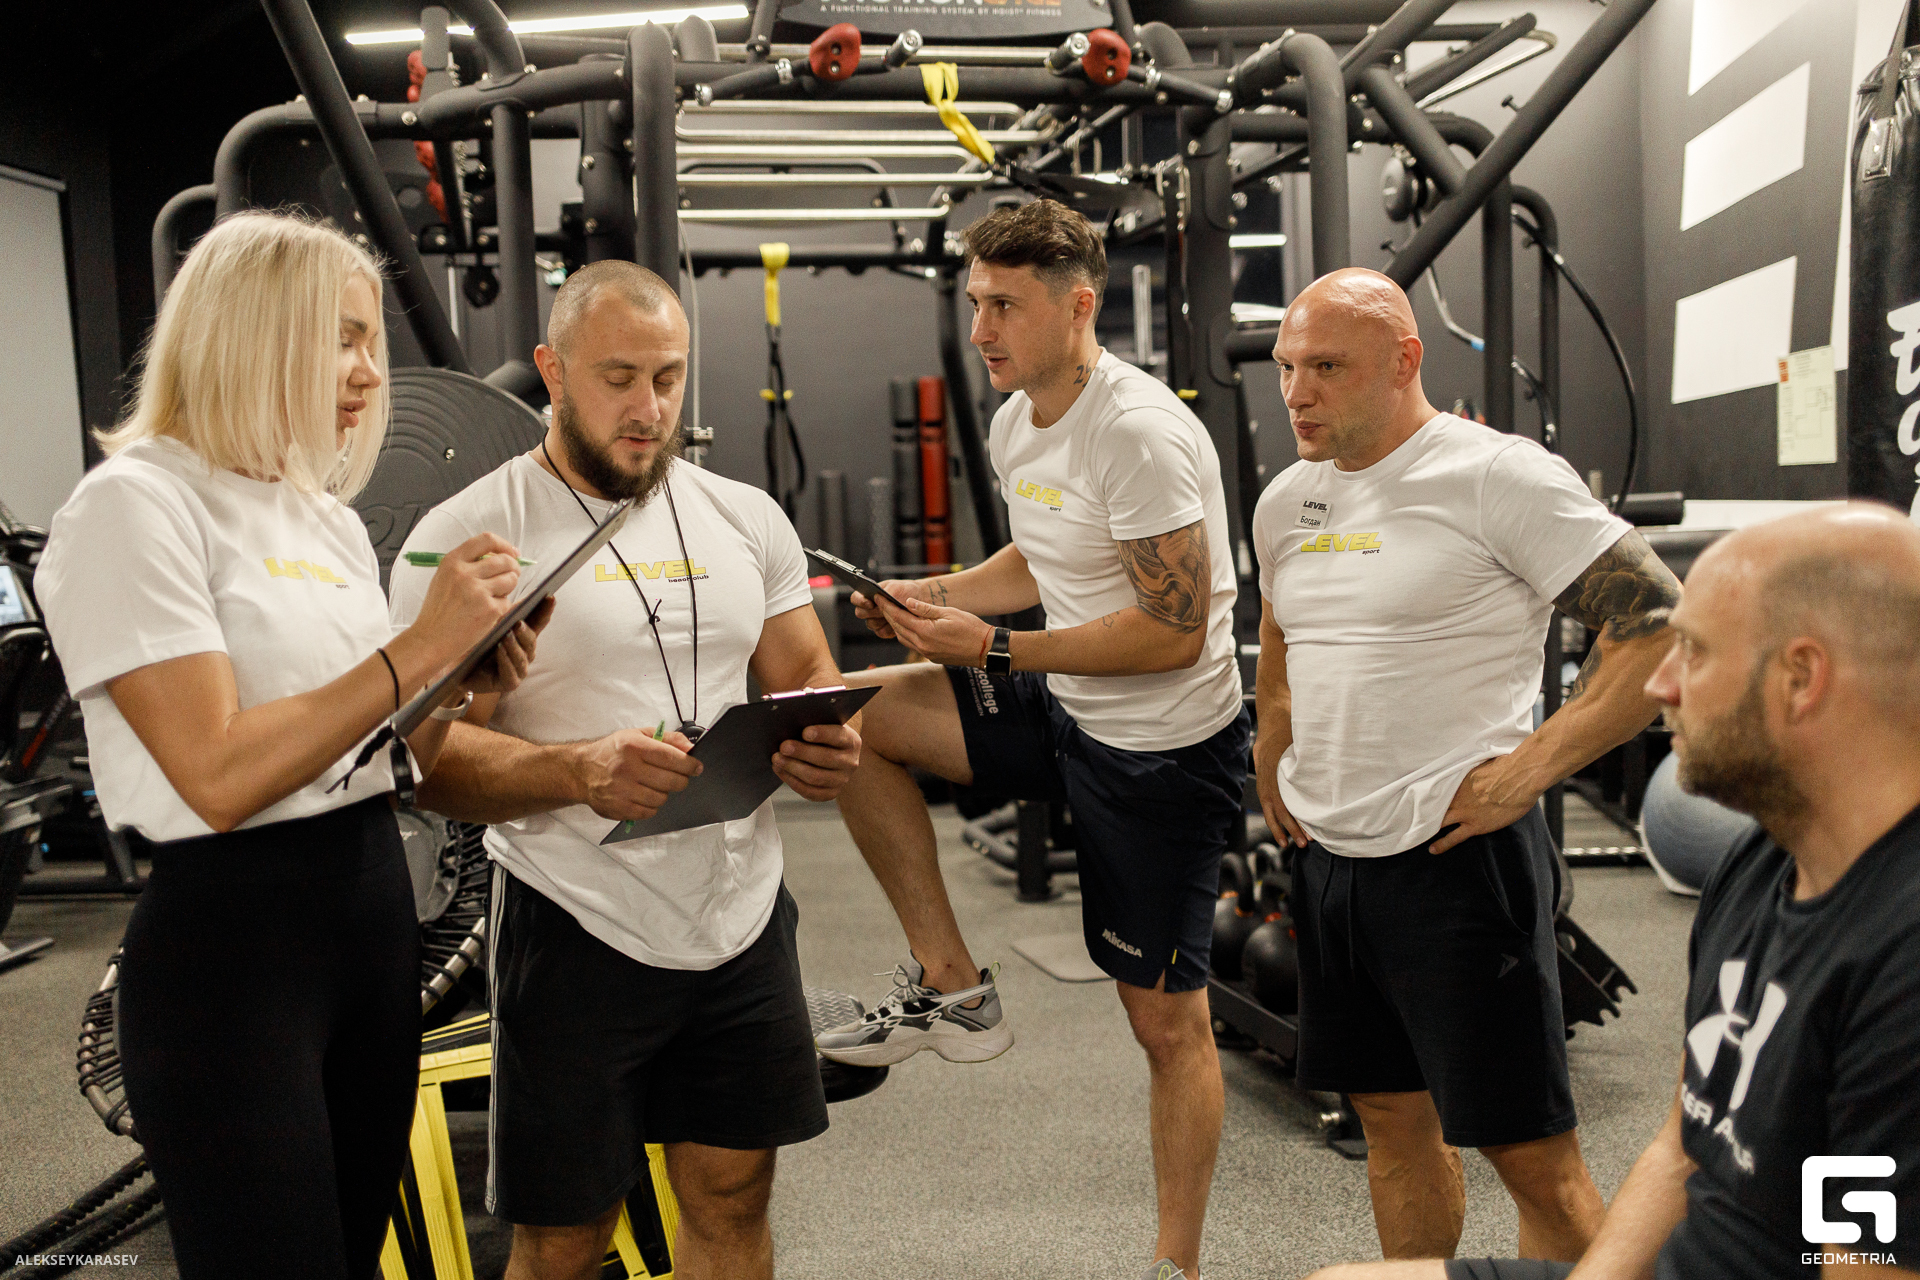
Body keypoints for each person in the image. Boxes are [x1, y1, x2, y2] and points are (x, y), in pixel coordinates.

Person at [34, 212, 544, 1277]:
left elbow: (380, 751)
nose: (370, 373)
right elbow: (217, 773)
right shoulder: (134, 505)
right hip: (235, 951)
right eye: (342, 338)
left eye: (373, 342)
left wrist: (465, 683)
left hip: (368, 921)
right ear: (250, 331)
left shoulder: (325, 520)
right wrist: (420, 646)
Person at [387, 260, 860, 1280]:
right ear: (553, 370)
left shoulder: (745, 515)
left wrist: (826, 740)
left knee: (732, 1194)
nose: (649, 409)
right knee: (567, 1234)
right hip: (575, 919)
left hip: (741, 913)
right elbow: (424, 769)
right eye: (619, 379)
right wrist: (576, 771)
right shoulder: (468, 538)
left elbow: (804, 676)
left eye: (669, 378)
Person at [1305, 502, 1920, 1280]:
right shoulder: (1762, 863)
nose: (1660, 683)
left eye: (1694, 653)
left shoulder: (1901, 959)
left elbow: (1864, 1263)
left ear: (1800, 679)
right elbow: (1682, 1147)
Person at [815, 198, 1247, 1280]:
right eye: (976, 303)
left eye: (1005, 306)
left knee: (1166, 1029)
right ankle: (954, 986)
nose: (981, 330)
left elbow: (1174, 632)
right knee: (845, 708)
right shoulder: (1018, 420)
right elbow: (1040, 559)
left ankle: (1177, 1266)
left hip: (1160, 752)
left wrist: (994, 651)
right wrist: (937, 596)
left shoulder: (1137, 431)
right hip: (1066, 705)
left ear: (1078, 306)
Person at [1252, 268, 1682, 1263]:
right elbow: (1281, 625)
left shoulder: (1496, 475)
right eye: (1286, 367)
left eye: (1326, 368)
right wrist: (1274, 738)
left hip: (1456, 861)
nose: (1296, 393)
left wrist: (1530, 768)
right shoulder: (1288, 498)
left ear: (1405, 360)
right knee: (1390, 1126)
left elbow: (1661, 622)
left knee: (1531, 1159)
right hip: (1330, 861)